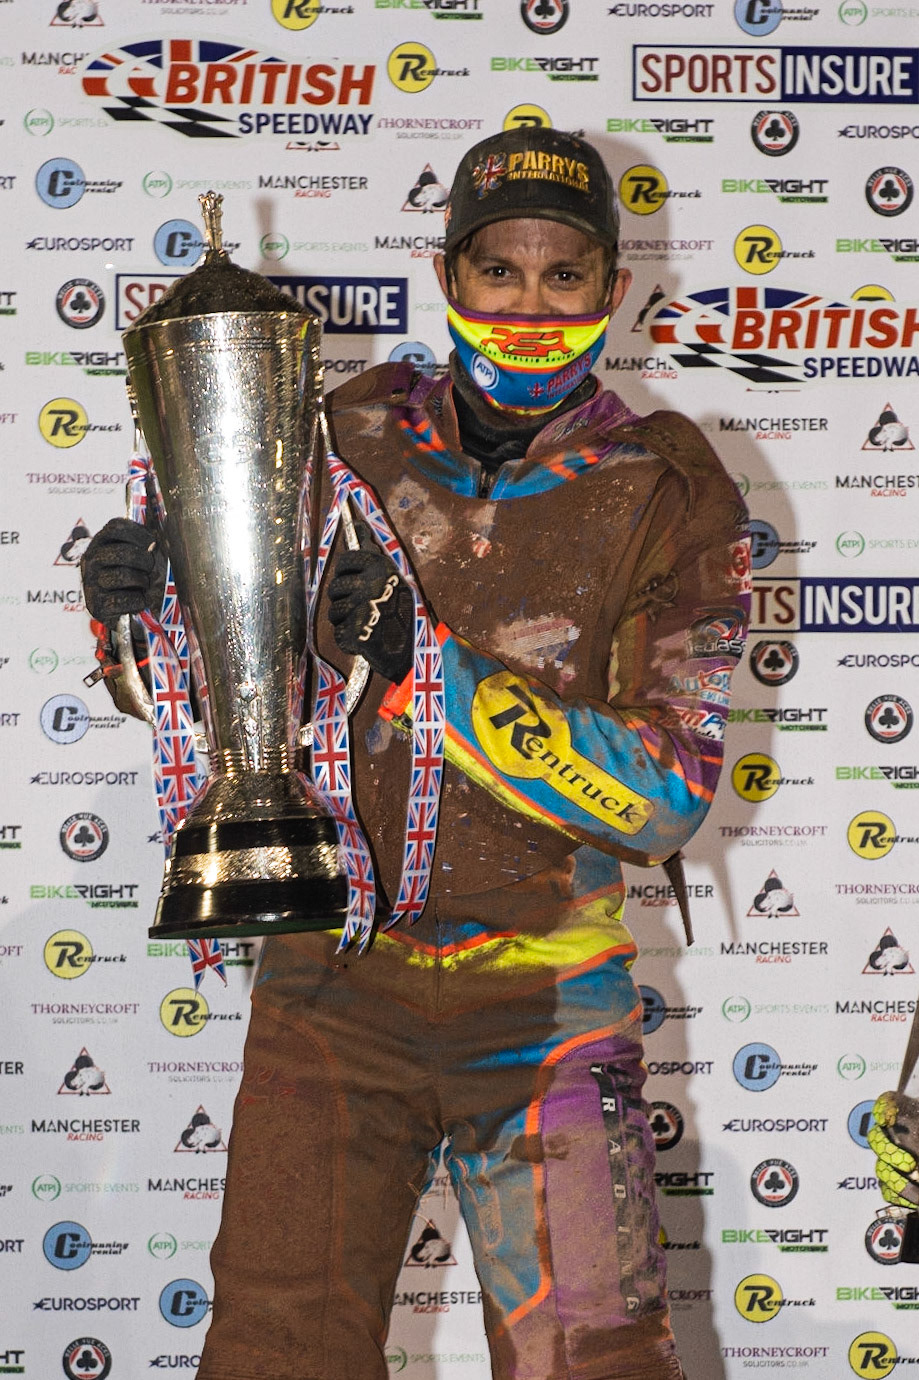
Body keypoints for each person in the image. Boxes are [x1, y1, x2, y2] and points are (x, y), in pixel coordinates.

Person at [82, 126, 750, 1380]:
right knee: (276, 1355)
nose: (533, 304)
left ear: (614, 290)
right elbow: (243, 697)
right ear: (448, 279)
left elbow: (665, 796)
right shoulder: (341, 435)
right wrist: (144, 628)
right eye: (501, 269)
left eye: (567, 275)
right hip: (331, 990)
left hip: (551, 1011)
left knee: (596, 1363)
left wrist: (425, 672)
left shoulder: (671, 488)